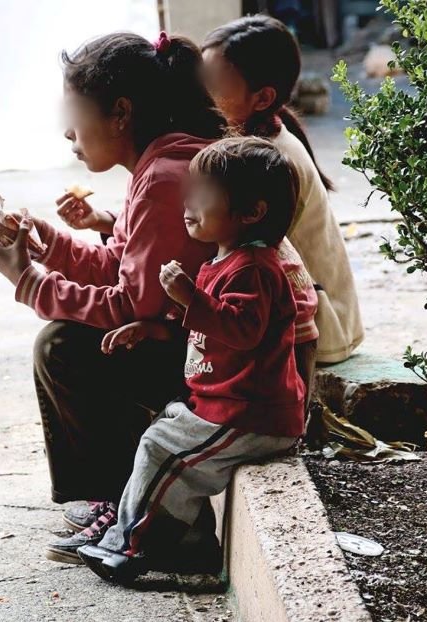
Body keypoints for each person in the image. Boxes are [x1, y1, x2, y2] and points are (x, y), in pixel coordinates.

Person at [0, 31, 226, 563]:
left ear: (120, 114)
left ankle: (127, 506)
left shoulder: (163, 178)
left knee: (64, 346)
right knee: (64, 339)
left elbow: (129, 308)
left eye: (75, 113)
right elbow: (123, 268)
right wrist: (50, 245)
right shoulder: (159, 165)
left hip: (217, 361)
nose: (68, 131)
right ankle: (110, 496)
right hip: (200, 341)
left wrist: (27, 280)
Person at [77, 137, 306, 582]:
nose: (189, 199)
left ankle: (132, 549)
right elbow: (206, 329)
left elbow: (243, 330)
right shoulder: (222, 260)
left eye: (204, 193)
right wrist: (153, 328)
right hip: (222, 407)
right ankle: (189, 544)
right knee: (161, 433)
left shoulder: (255, 268)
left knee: (166, 454)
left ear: (251, 212)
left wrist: (189, 298)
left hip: (250, 415)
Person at [201, 15, 364, 367]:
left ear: (262, 99)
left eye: (214, 83)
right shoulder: (256, 139)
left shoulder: (268, 162)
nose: (201, 92)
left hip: (318, 327)